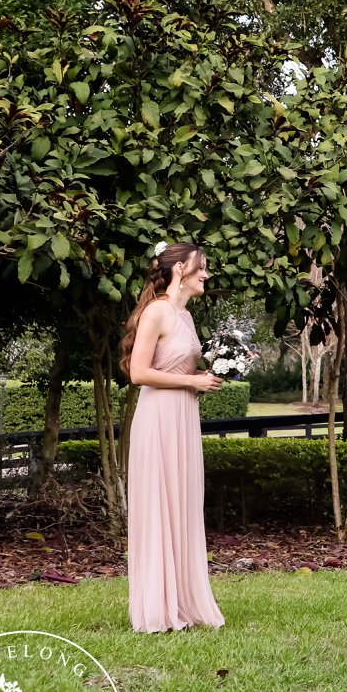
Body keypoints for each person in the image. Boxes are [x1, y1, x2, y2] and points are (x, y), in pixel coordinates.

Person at [124, 241, 228, 633]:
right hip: (157, 419)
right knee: (159, 506)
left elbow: (182, 368)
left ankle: (182, 603)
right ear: (180, 268)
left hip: (184, 415)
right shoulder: (156, 312)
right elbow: (138, 373)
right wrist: (191, 380)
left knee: (181, 505)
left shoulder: (185, 316)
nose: (206, 274)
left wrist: (205, 379)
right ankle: (157, 608)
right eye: (200, 267)